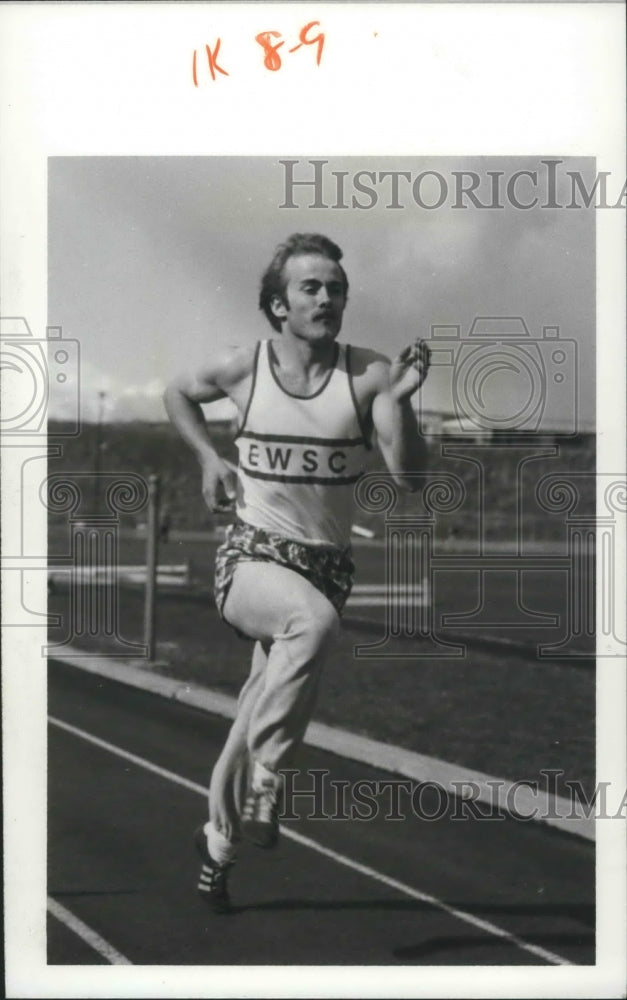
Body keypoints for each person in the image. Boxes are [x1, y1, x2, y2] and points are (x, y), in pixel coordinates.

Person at [163, 233, 430, 912]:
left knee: (253, 708)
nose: (327, 298)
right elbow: (176, 394)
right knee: (310, 624)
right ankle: (269, 781)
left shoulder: (367, 375)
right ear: (277, 305)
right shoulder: (241, 369)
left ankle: (215, 847)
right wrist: (207, 459)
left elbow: (409, 476)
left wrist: (402, 401)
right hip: (251, 558)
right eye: (311, 287)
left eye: (336, 287)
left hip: (324, 565)